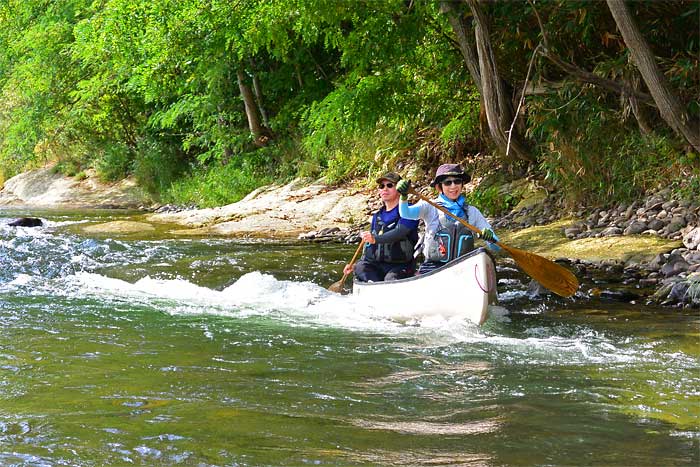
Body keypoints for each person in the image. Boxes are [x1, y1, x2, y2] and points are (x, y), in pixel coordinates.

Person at [396, 163, 499, 274]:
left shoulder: (472, 212)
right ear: (440, 187)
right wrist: (403, 196)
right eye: (448, 183)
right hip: (433, 267)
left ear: (462, 184)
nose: (453, 186)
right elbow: (405, 213)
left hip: (464, 267)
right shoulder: (429, 206)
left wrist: (490, 238)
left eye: (457, 181)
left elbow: (496, 248)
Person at [343, 172, 420, 282]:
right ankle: (373, 285)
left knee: (391, 278)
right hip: (377, 265)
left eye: (389, 185)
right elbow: (369, 247)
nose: (385, 189)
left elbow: (399, 232)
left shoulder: (410, 211)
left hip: (400, 266)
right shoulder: (377, 216)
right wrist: (354, 265)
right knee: (360, 267)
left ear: (399, 189)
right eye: (381, 186)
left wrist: (375, 239)